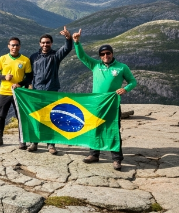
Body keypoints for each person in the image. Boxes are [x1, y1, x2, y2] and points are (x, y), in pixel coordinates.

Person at [72, 29, 137, 170]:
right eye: (102, 54)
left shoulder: (121, 67)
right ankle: (94, 154)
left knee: (113, 129)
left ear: (112, 54)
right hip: (97, 104)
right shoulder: (95, 65)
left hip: (112, 105)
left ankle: (117, 159)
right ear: (100, 56)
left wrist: (125, 89)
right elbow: (82, 56)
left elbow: (133, 81)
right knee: (95, 128)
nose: (105, 56)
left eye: (108, 53)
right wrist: (77, 42)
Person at [27, 26, 74, 154]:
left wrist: (68, 38)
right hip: (37, 91)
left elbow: (67, 48)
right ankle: (34, 142)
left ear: (51, 43)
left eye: (47, 42)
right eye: (43, 42)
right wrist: (25, 85)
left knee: (51, 118)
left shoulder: (55, 55)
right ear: (39, 43)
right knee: (37, 117)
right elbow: (30, 74)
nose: (45, 44)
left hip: (51, 91)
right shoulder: (33, 57)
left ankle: (51, 144)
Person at [0, 37, 32, 149]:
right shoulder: (2, 59)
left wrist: (20, 83)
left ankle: (22, 140)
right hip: (4, 92)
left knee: (20, 117)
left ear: (20, 46)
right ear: (8, 46)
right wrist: (4, 77)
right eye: (12, 45)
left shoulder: (25, 60)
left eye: (17, 45)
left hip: (18, 93)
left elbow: (29, 77)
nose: (14, 47)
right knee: (1, 116)